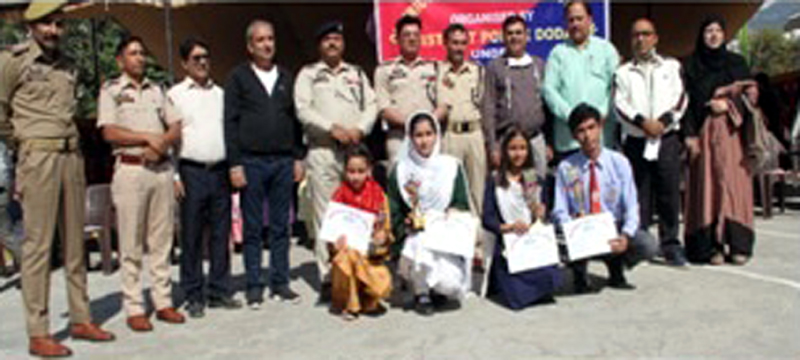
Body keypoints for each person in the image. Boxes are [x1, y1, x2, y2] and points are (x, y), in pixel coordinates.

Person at [0, 1, 115, 355]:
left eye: (59, 24)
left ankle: (81, 318)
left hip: (71, 156)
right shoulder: (12, 61)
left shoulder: (68, 65)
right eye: (47, 23)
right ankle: (39, 331)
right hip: (39, 156)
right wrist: (24, 146)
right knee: (38, 246)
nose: (54, 31)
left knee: (75, 243)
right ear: (31, 25)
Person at [98, 36, 186, 331]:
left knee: (162, 241)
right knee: (131, 242)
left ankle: (163, 301)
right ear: (120, 60)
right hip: (131, 171)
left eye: (142, 52)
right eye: (133, 53)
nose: (140, 58)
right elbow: (109, 132)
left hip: (160, 170)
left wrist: (162, 143)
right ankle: (134, 306)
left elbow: (175, 125)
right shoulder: (111, 90)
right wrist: (146, 138)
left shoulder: (157, 90)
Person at [224, 20, 305, 308]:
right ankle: (254, 284)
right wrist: (234, 164)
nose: (267, 44)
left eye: (270, 38)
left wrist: (298, 157)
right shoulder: (238, 78)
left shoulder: (286, 76)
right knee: (254, 227)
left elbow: (295, 121)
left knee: (282, 225)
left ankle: (280, 282)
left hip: (283, 161)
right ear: (250, 45)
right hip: (251, 161)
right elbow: (230, 124)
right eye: (260, 40)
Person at [295, 21, 377, 302]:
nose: (332, 43)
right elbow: (302, 109)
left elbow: (372, 105)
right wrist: (332, 127)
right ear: (320, 45)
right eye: (327, 39)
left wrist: (361, 129)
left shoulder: (356, 73)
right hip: (323, 151)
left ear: (343, 43)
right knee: (326, 218)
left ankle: (356, 274)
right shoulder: (308, 74)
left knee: (358, 214)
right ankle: (330, 278)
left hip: (353, 153)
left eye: (337, 39)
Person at [169, 37, 242, 318]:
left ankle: (219, 289)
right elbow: (173, 140)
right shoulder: (176, 95)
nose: (202, 62)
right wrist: (175, 174)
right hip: (191, 170)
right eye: (196, 58)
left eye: (205, 57)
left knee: (221, 233)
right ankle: (193, 293)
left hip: (219, 170)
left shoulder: (221, 94)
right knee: (192, 235)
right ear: (185, 63)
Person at [553, 104, 657, 293]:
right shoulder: (567, 167)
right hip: (581, 228)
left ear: (600, 127)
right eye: (581, 131)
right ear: (574, 136)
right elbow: (559, 209)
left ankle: (616, 265)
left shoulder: (619, 163)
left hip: (612, 227)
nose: (588, 136)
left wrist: (625, 236)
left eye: (591, 128)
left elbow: (632, 206)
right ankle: (579, 271)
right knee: (554, 241)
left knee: (647, 244)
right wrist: (573, 229)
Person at [614, 18, 688, 266]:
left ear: (655, 38)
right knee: (639, 193)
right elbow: (619, 105)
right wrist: (642, 122)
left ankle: (670, 245)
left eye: (646, 34)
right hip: (637, 138)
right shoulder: (622, 72)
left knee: (669, 192)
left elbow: (681, 98)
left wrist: (663, 122)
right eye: (636, 35)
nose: (641, 39)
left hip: (665, 138)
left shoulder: (671, 66)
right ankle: (642, 243)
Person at [682, 16, 754, 266]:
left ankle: (738, 244)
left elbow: (751, 98)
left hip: (733, 136)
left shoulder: (737, 63)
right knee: (707, 189)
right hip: (704, 134)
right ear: (701, 36)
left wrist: (728, 104)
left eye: (717, 31)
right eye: (708, 31)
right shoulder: (692, 66)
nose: (713, 35)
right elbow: (685, 104)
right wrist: (689, 134)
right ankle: (709, 247)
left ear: (725, 35)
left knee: (733, 189)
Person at [387, 111, 472, 315]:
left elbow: (461, 202)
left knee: (450, 284)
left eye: (428, 134)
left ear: (437, 135)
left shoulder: (451, 166)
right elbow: (394, 210)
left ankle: (437, 290)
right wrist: (407, 224)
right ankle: (421, 292)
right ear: (410, 137)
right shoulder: (401, 171)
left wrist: (452, 212)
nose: (424, 141)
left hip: (444, 237)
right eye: (418, 135)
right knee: (420, 242)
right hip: (414, 238)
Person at [481, 127, 561, 310]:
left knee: (553, 277)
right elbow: (488, 218)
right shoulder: (495, 181)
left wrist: (541, 213)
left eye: (522, 148)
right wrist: (509, 227)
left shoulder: (535, 180)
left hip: (531, 240)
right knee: (517, 298)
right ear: (505, 151)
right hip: (508, 242)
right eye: (513, 148)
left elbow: (546, 216)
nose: (518, 154)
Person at [543, 0, 620, 161]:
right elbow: (549, 90)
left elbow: (616, 87)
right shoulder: (558, 53)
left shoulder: (606, 50)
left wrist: (599, 114)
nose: (575, 24)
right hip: (569, 141)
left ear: (590, 20)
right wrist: (572, 115)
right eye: (571, 20)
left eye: (579, 18)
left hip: (602, 140)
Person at [328, 145, 393, 320]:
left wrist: (381, 238)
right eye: (351, 171)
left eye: (360, 171)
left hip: (369, 255)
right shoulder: (338, 196)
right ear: (344, 171)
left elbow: (386, 230)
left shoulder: (378, 195)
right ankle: (351, 305)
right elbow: (331, 232)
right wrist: (335, 243)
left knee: (382, 282)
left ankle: (368, 300)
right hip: (347, 255)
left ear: (369, 170)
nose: (356, 176)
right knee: (345, 257)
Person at [375, 15, 445, 165]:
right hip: (399, 138)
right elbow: (384, 108)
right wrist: (413, 125)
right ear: (398, 39)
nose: (412, 39)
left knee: (431, 183)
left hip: (429, 138)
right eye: (407, 35)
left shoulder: (435, 67)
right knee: (400, 183)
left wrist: (426, 126)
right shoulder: (385, 70)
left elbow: (443, 106)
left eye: (416, 35)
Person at [482, 15, 548, 177]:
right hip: (506, 141)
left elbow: (547, 105)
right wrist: (492, 146)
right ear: (503, 37)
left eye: (519, 33)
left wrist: (549, 143)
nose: (514, 37)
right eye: (510, 33)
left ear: (526, 36)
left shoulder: (539, 65)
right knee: (506, 191)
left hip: (535, 140)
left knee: (537, 191)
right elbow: (488, 108)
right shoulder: (495, 67)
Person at [437, 23, 486, 214]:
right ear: (445, 44)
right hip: (450, 134)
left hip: (474, 134)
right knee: (451, 189)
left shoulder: (478, 71)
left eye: (463, 43)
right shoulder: (437, 71)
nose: (459, 48)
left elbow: (485, 106)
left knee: (477, 190)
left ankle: (478, 240)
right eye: (454, 43)